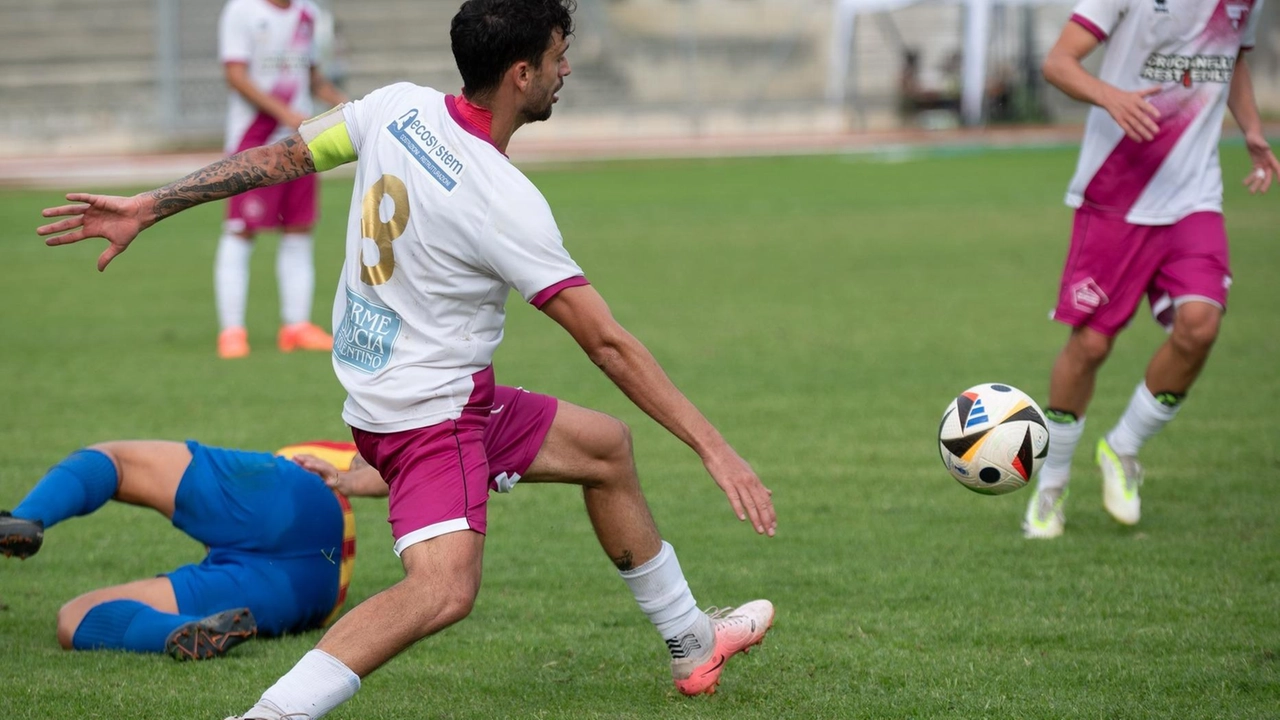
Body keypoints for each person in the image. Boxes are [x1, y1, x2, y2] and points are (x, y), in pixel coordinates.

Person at [37, 0, 777, 714]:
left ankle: (692, 641)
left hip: (397, 397)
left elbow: (283, 156)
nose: (567, 71)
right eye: (558, 57)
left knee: (605, 449)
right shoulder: (503, 200)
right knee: (444, 589)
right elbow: (608, 343)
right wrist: (716, 449)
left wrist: (150, 204)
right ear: (521, 74)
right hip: (433, 415)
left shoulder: (396, 106)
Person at [1021, 0, 1279, 539]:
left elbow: (1231, 60)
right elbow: (1058, 63)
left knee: (1200, 327)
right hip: (1115, 195)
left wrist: (1251, 129)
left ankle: (1123, 447)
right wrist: (1109, 95)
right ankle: (1053, 483)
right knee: (1090, 346)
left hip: (1194, 197)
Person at [0, 438, 357, 660]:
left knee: (116, 462)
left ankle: (27, 517)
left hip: (291, 503)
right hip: (313, 595)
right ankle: (188, 630)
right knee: (73, 617)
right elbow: (388, 461)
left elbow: (364, 456)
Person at [215, 0, 349, 359]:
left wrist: (349, 106)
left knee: (299, 230)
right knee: (241, 231)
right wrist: (284, 112)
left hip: (300, 143)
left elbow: (312, 76)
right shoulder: (241, 10)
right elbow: (236, 76)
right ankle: (231, 330)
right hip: (254, 140)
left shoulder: (309, 13)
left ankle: (296, 326)